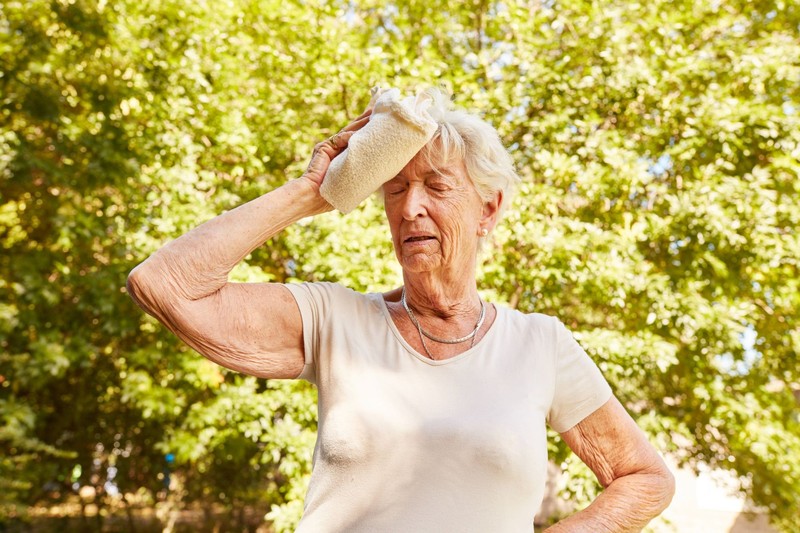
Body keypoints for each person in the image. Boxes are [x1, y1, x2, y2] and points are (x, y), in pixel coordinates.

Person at [127, 88, 675, 532]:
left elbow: (644, 477)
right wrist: (312, 192)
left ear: (488, 210)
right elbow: (163, 285)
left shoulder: (540, 344)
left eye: (436, 186)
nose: (411, 207)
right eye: (395, 189)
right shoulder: (333, 320)